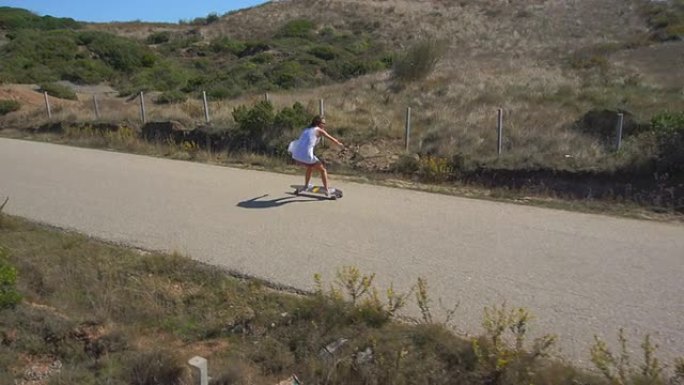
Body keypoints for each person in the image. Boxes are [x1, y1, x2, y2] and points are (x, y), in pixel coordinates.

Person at [288, 116, 344, 197]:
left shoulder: (306, 130)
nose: (324, 125)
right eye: (323, 123)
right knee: (323, 170)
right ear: (318, 123)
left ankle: (306, 186)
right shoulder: (319, 130)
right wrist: (340, 145)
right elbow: (331, 139)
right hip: (307, 155)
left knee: (310, 167)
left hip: (297, 155)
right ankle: (326, 190)